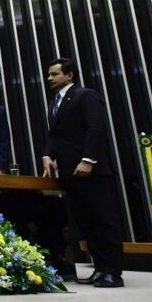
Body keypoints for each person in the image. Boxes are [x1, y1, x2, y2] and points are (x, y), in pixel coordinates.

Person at [41, 58, 124, 288]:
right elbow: (55, 136)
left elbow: (95, 128)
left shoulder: (85, 95)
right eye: (48, 74)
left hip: (92, 171)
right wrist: (47, 155)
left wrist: (88, 160)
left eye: (54, 74)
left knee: (104, 221)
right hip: (70, 173)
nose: (49, 78)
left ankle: (113, 272)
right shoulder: (55, 101)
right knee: (86, 223)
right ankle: (100, 268)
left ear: (70, 75)